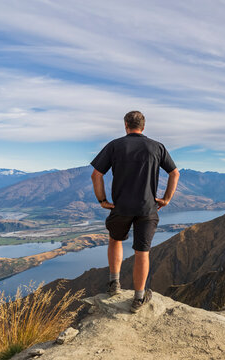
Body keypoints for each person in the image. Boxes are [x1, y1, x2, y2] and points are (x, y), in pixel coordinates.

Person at [90, 110, 179, 313]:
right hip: (147, 208)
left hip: (121, 207)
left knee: (115, 239)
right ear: (144, 126)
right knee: (142, 251)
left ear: (125, 125)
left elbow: (96, 175)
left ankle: (114, 284)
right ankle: (139, 298)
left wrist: (102, 200)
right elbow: (175, 173)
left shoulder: (115, 146)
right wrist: (166, 199)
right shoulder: (157, 147)